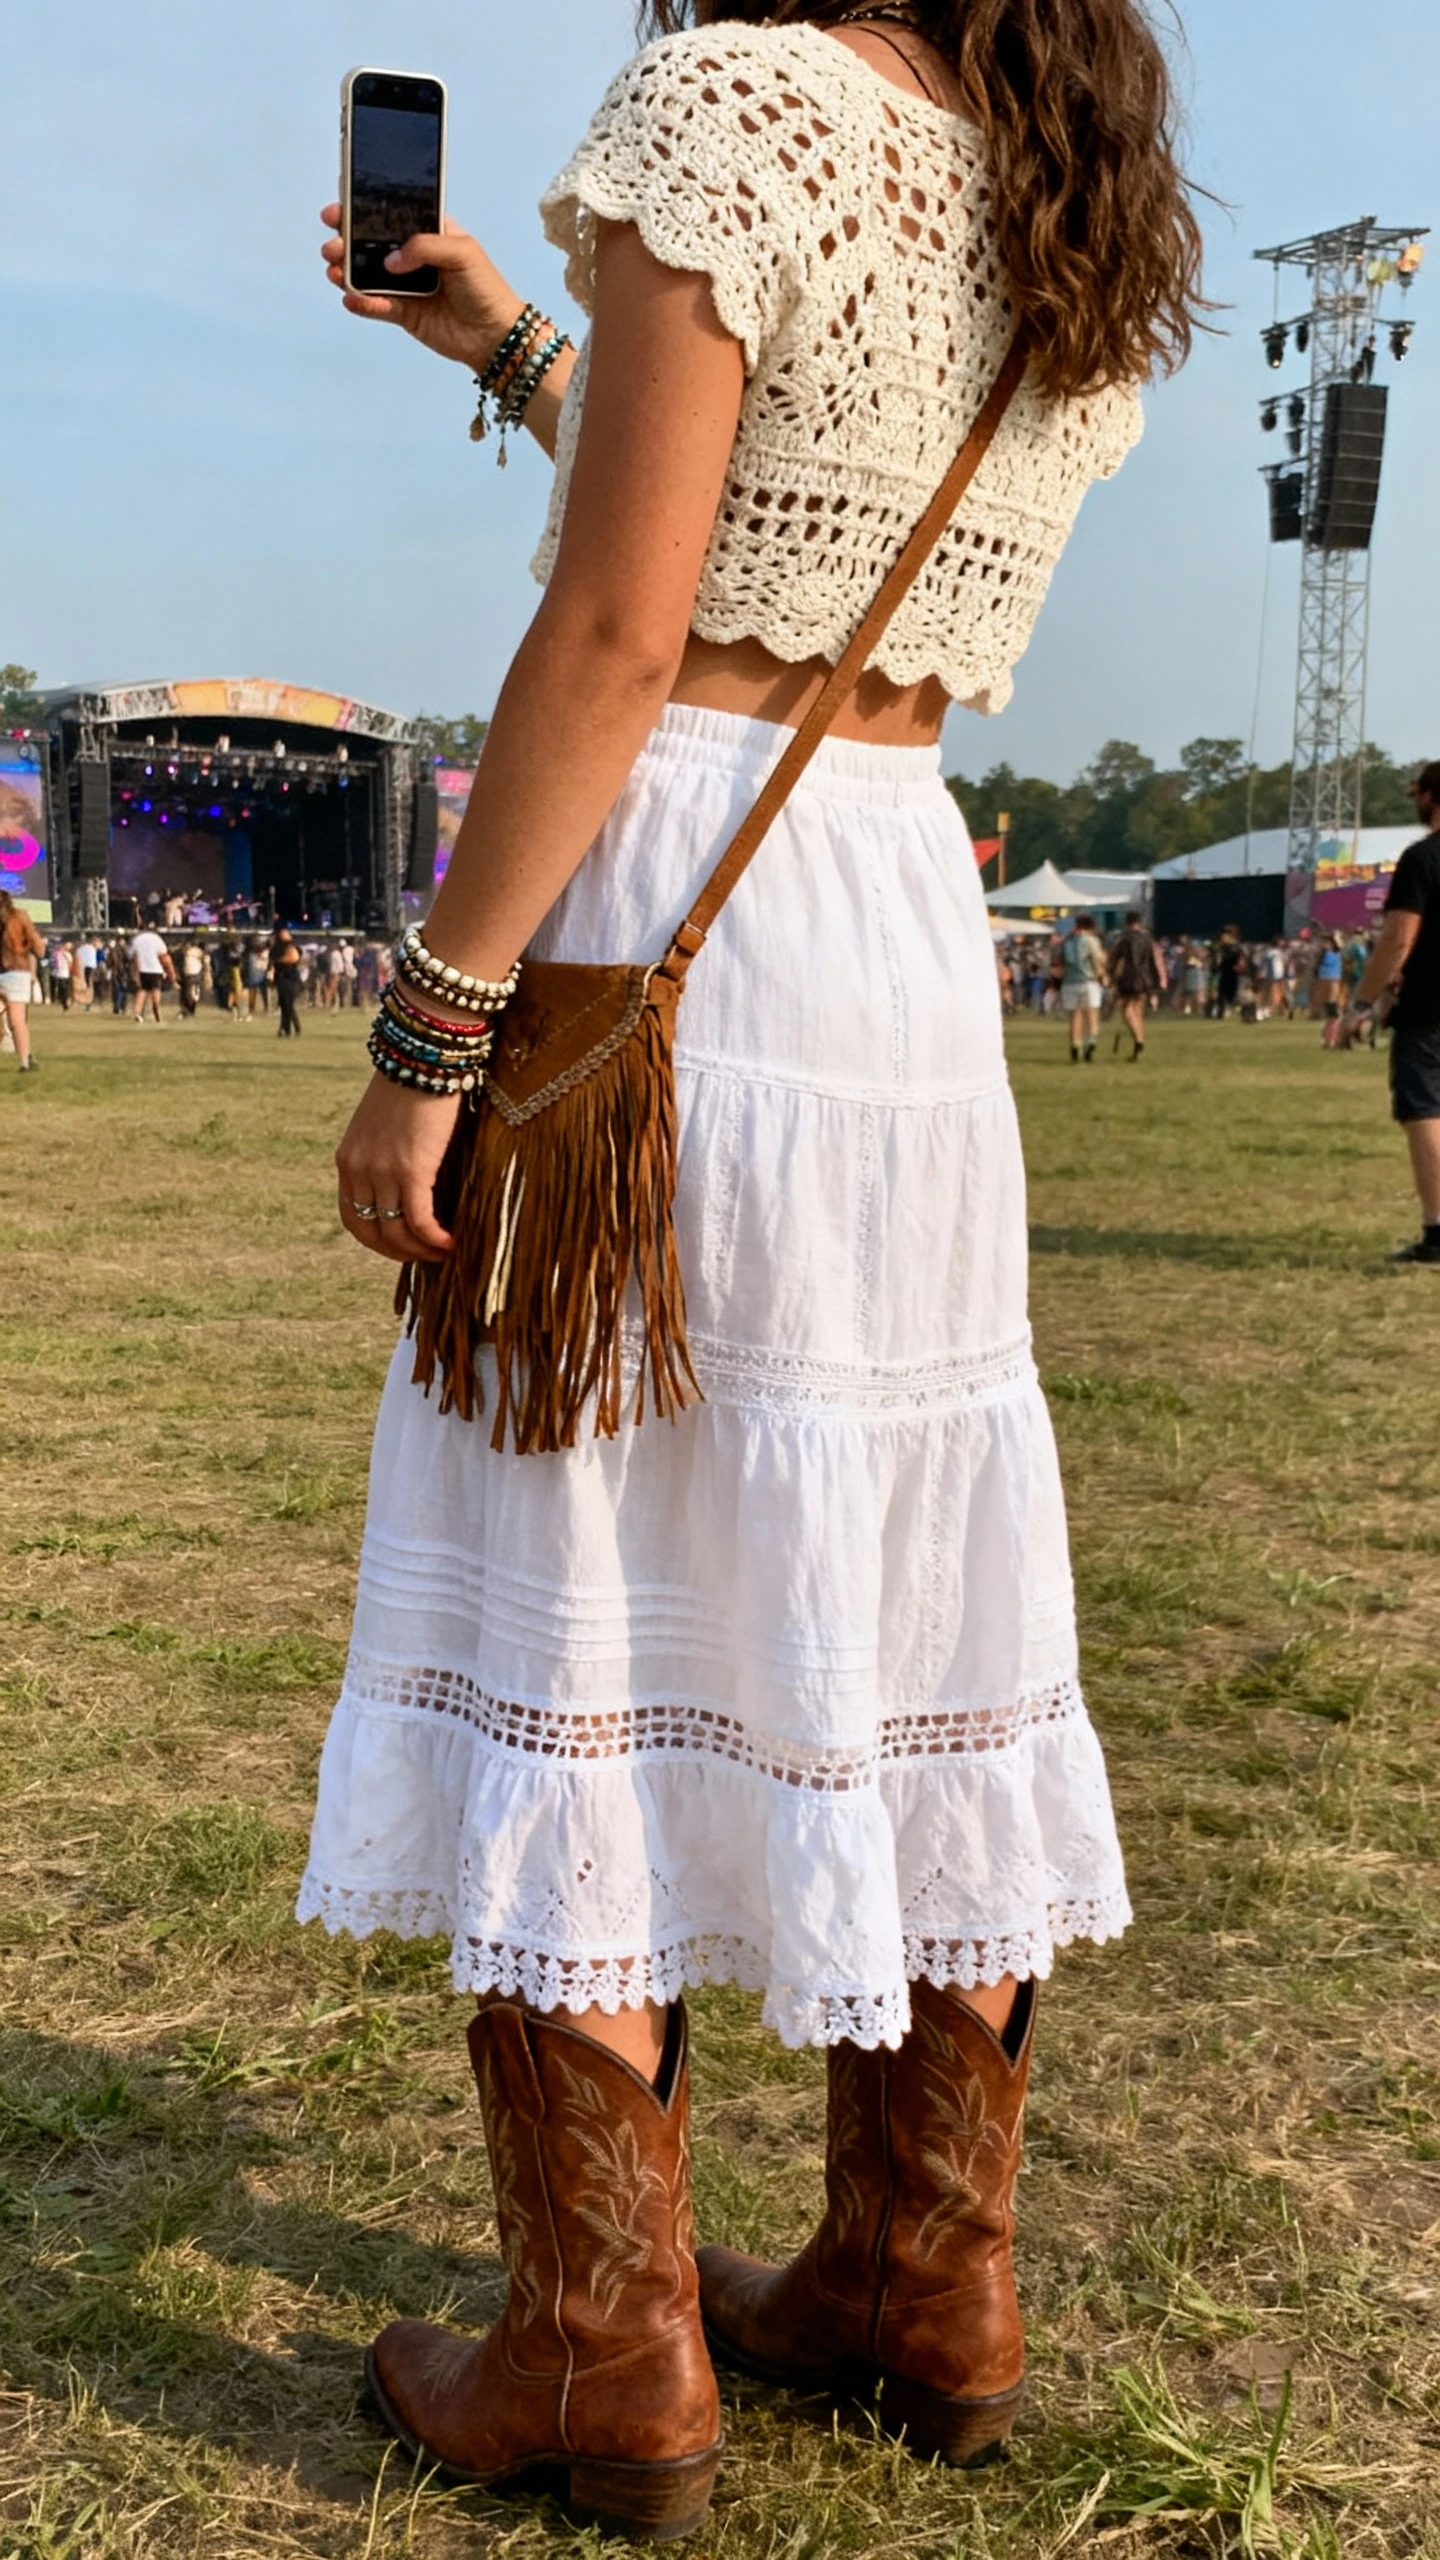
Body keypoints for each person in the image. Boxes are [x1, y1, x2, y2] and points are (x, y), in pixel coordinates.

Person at [298, 0, 1204, 2532]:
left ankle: (605, 2341)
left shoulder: (732, 104)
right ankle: (927, 2275)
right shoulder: (1053, 166)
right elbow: (804, 502)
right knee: (888, 1595)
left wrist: (430, 1025)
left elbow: (623, 627)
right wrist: (513, 348)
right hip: (894, 916)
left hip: (666, 912)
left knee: (577, 1581)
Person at [1346, 761, 1440, 1264]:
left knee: (1425, 1109)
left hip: (1430, 1007)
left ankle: (1438, 1232)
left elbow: (1399, 938)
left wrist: (1360, 1004)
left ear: (1429, 796)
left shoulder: (1423, 858)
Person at [1107, 906, 1165, 1058]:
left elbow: (1114, 960)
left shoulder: (1124, 939)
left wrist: (1111, 976)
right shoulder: (1148, 939)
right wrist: (1155, 986)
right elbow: (1154, 963)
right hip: (1144, 979)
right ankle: (1138, 1046)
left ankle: (1138, 1040)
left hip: (1128, 978)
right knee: (1138, 1012)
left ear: (1127, 923)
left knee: (1126, 1011)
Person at [0, 892, 45, 1072]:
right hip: (18, 971)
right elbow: (37, 944)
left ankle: (26, 1057)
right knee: (17, 1021)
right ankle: (25, 1061)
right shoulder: (20, 916)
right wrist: (39, 951)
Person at [1059, 911, 1105, 1061]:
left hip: (1069, 982)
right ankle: (1090, 1043)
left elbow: (1059, 963)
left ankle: (1075, 1045)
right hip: (1088, 981)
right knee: (1092, 1014)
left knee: (1075, 1017)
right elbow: (1097, 960)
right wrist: (1102, 975)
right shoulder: (1091, 940)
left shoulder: (1067, 941)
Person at [128, 923, 174, 1023]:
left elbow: (131, 955)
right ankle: (157, 1013)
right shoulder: (158, 939)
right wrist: (170, 973)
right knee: (155, 991)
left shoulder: (137, 939)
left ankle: (137, 1013)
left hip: (142, 969)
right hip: (155, 969)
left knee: (142, 990)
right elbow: (164, 957)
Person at [271, 927, 303, 1038]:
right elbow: (274, 961)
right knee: (284, 1005)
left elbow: (295, 958)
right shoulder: (277, 948)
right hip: (281, 979)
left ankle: (291, 1028)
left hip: (291, 979)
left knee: (288, 1005)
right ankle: (286, 1029)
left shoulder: (293, 947)